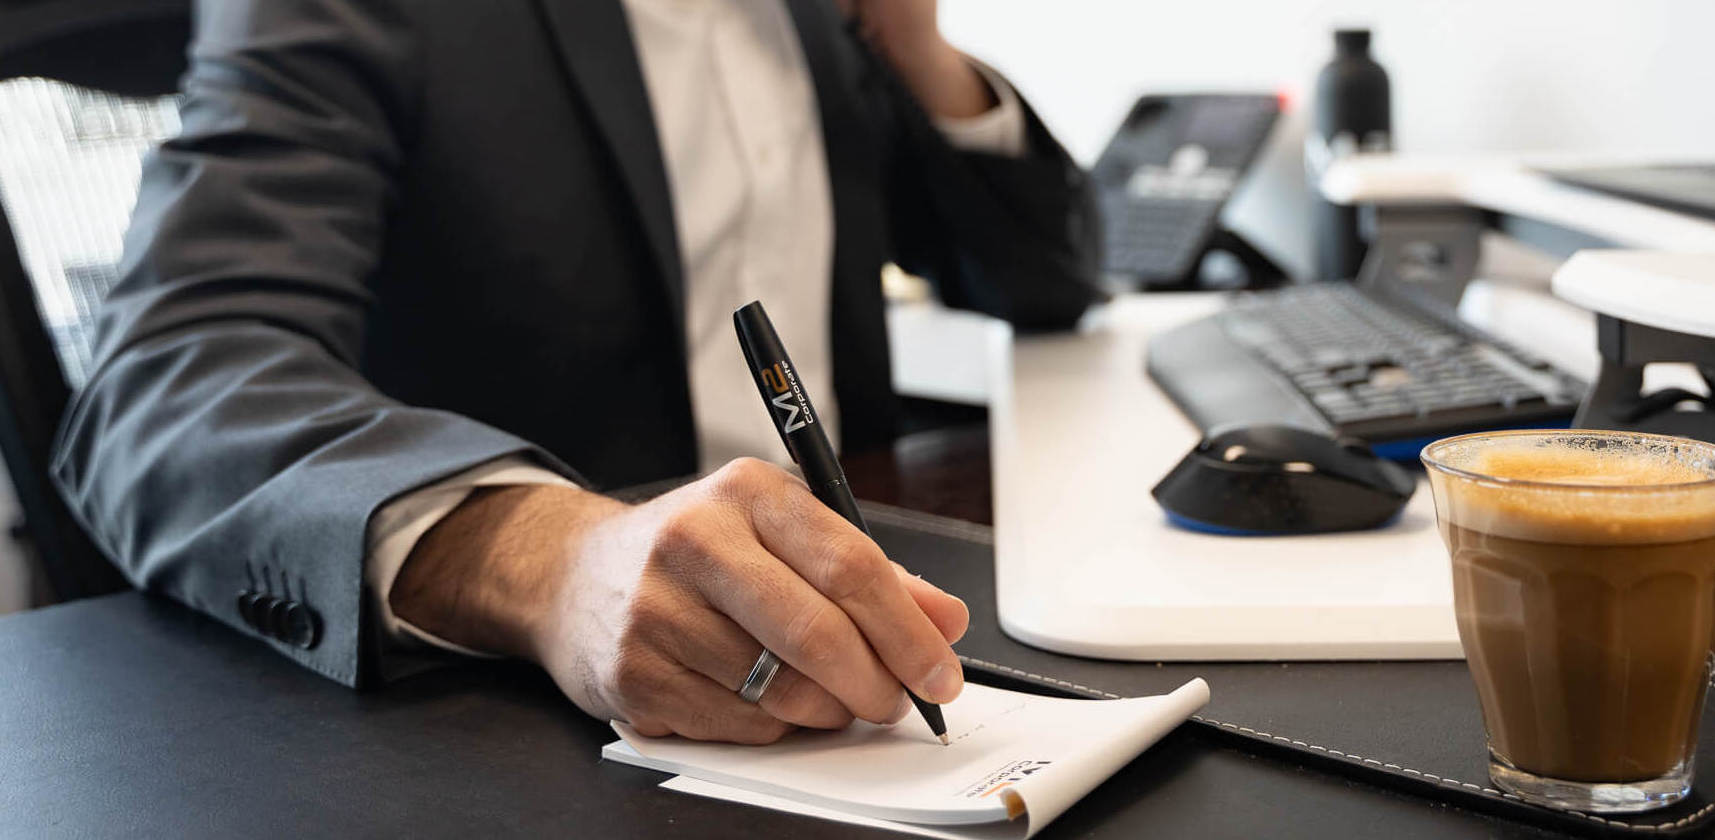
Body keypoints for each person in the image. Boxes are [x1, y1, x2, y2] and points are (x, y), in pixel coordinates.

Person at [52, 0, 1098, 744]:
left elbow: (1045, 278)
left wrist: (916, 41)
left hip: (867, 633)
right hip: (534, 728)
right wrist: (548, 559)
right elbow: (163, 379)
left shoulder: (824, 21)